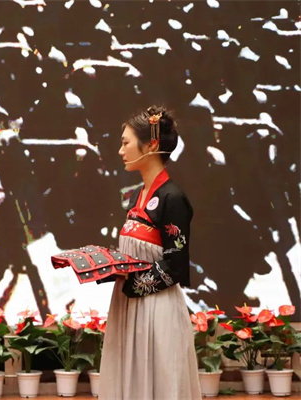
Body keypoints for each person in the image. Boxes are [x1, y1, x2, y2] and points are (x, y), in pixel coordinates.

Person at [97, 106, 202, 399]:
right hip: (128, 308)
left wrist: (133, 283)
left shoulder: (173, 197)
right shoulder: (137, 195)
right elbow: (137, 254)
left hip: (157, 310)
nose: (121, 151)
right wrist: (107, 265)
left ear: (151, 145)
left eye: (126, 143)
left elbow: (176, 266)